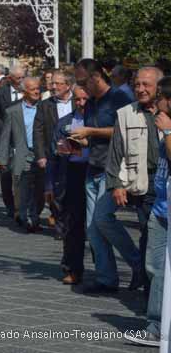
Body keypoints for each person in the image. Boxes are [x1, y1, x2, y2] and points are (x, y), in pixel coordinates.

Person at [72, 58, 138, 293]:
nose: (80, 86)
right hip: (94, 166)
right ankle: (106, 278)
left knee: (103, 219)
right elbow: (94, 137)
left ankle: (138, 264)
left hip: (114, 169)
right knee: (92, 228)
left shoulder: (120, 98)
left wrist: (91, 131)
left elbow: (126, 131)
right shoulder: (90, 103)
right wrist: (79, 141)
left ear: (96, 76)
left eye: (81, 81)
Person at [106, 67, 164, 294]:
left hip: (165, 179)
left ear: (159, 87)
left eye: (146, 85)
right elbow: (115, 152)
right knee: (149, 236)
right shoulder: (125, 113)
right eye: (137, 85)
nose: (140, 89)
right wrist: (116, 184)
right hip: (144, 182)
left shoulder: (166, 111)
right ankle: (151, 295)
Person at [127, 76, 171, 348]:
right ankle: (156, 325)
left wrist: (167, 133)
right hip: (160, 207)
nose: (156, 106)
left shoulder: (166, 127)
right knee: (155, 267)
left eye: (161, 100)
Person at [50, 84, 90, 285]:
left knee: (95, 226)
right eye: (77, 99)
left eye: (85, 99)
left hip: (93, 175)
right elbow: (55, 154)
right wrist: (51, 186)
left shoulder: (98, 122)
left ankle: (104, 270)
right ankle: (72, 268)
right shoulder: (65, 123)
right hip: (70, 176)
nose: (81, 103)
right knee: (71, 225)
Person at [0, 77, 45, 232]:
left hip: (41, 154)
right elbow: (5, 136)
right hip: (23, 153)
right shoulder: (13, 111)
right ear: (24, 92)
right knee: (23, 187)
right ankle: (26, 218)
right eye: (33, 89)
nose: (37, 91)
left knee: (40, 189)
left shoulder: (45, 108)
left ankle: (35, 215)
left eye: (38, 88)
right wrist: (2, 158)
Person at [34, 69, 74, 231]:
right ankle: (59, 225)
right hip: (53, 156)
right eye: (52, 83)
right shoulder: (45, 105)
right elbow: (38, 131)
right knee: (56, 193)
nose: (53, 86)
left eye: (58, 83)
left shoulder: (79, 102)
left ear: (68, 85)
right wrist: (41, 155)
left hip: (76, 155)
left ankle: (74, 224)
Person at [0, 66, 25, 219]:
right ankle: (10, 206)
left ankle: (22, 205)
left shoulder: (30, 92)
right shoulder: (0, 93)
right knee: (5, 173)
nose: (21, 81)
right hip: (5, 138)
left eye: (23, 77)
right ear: (10, 79)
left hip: (23, 137)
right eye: (18, 78)